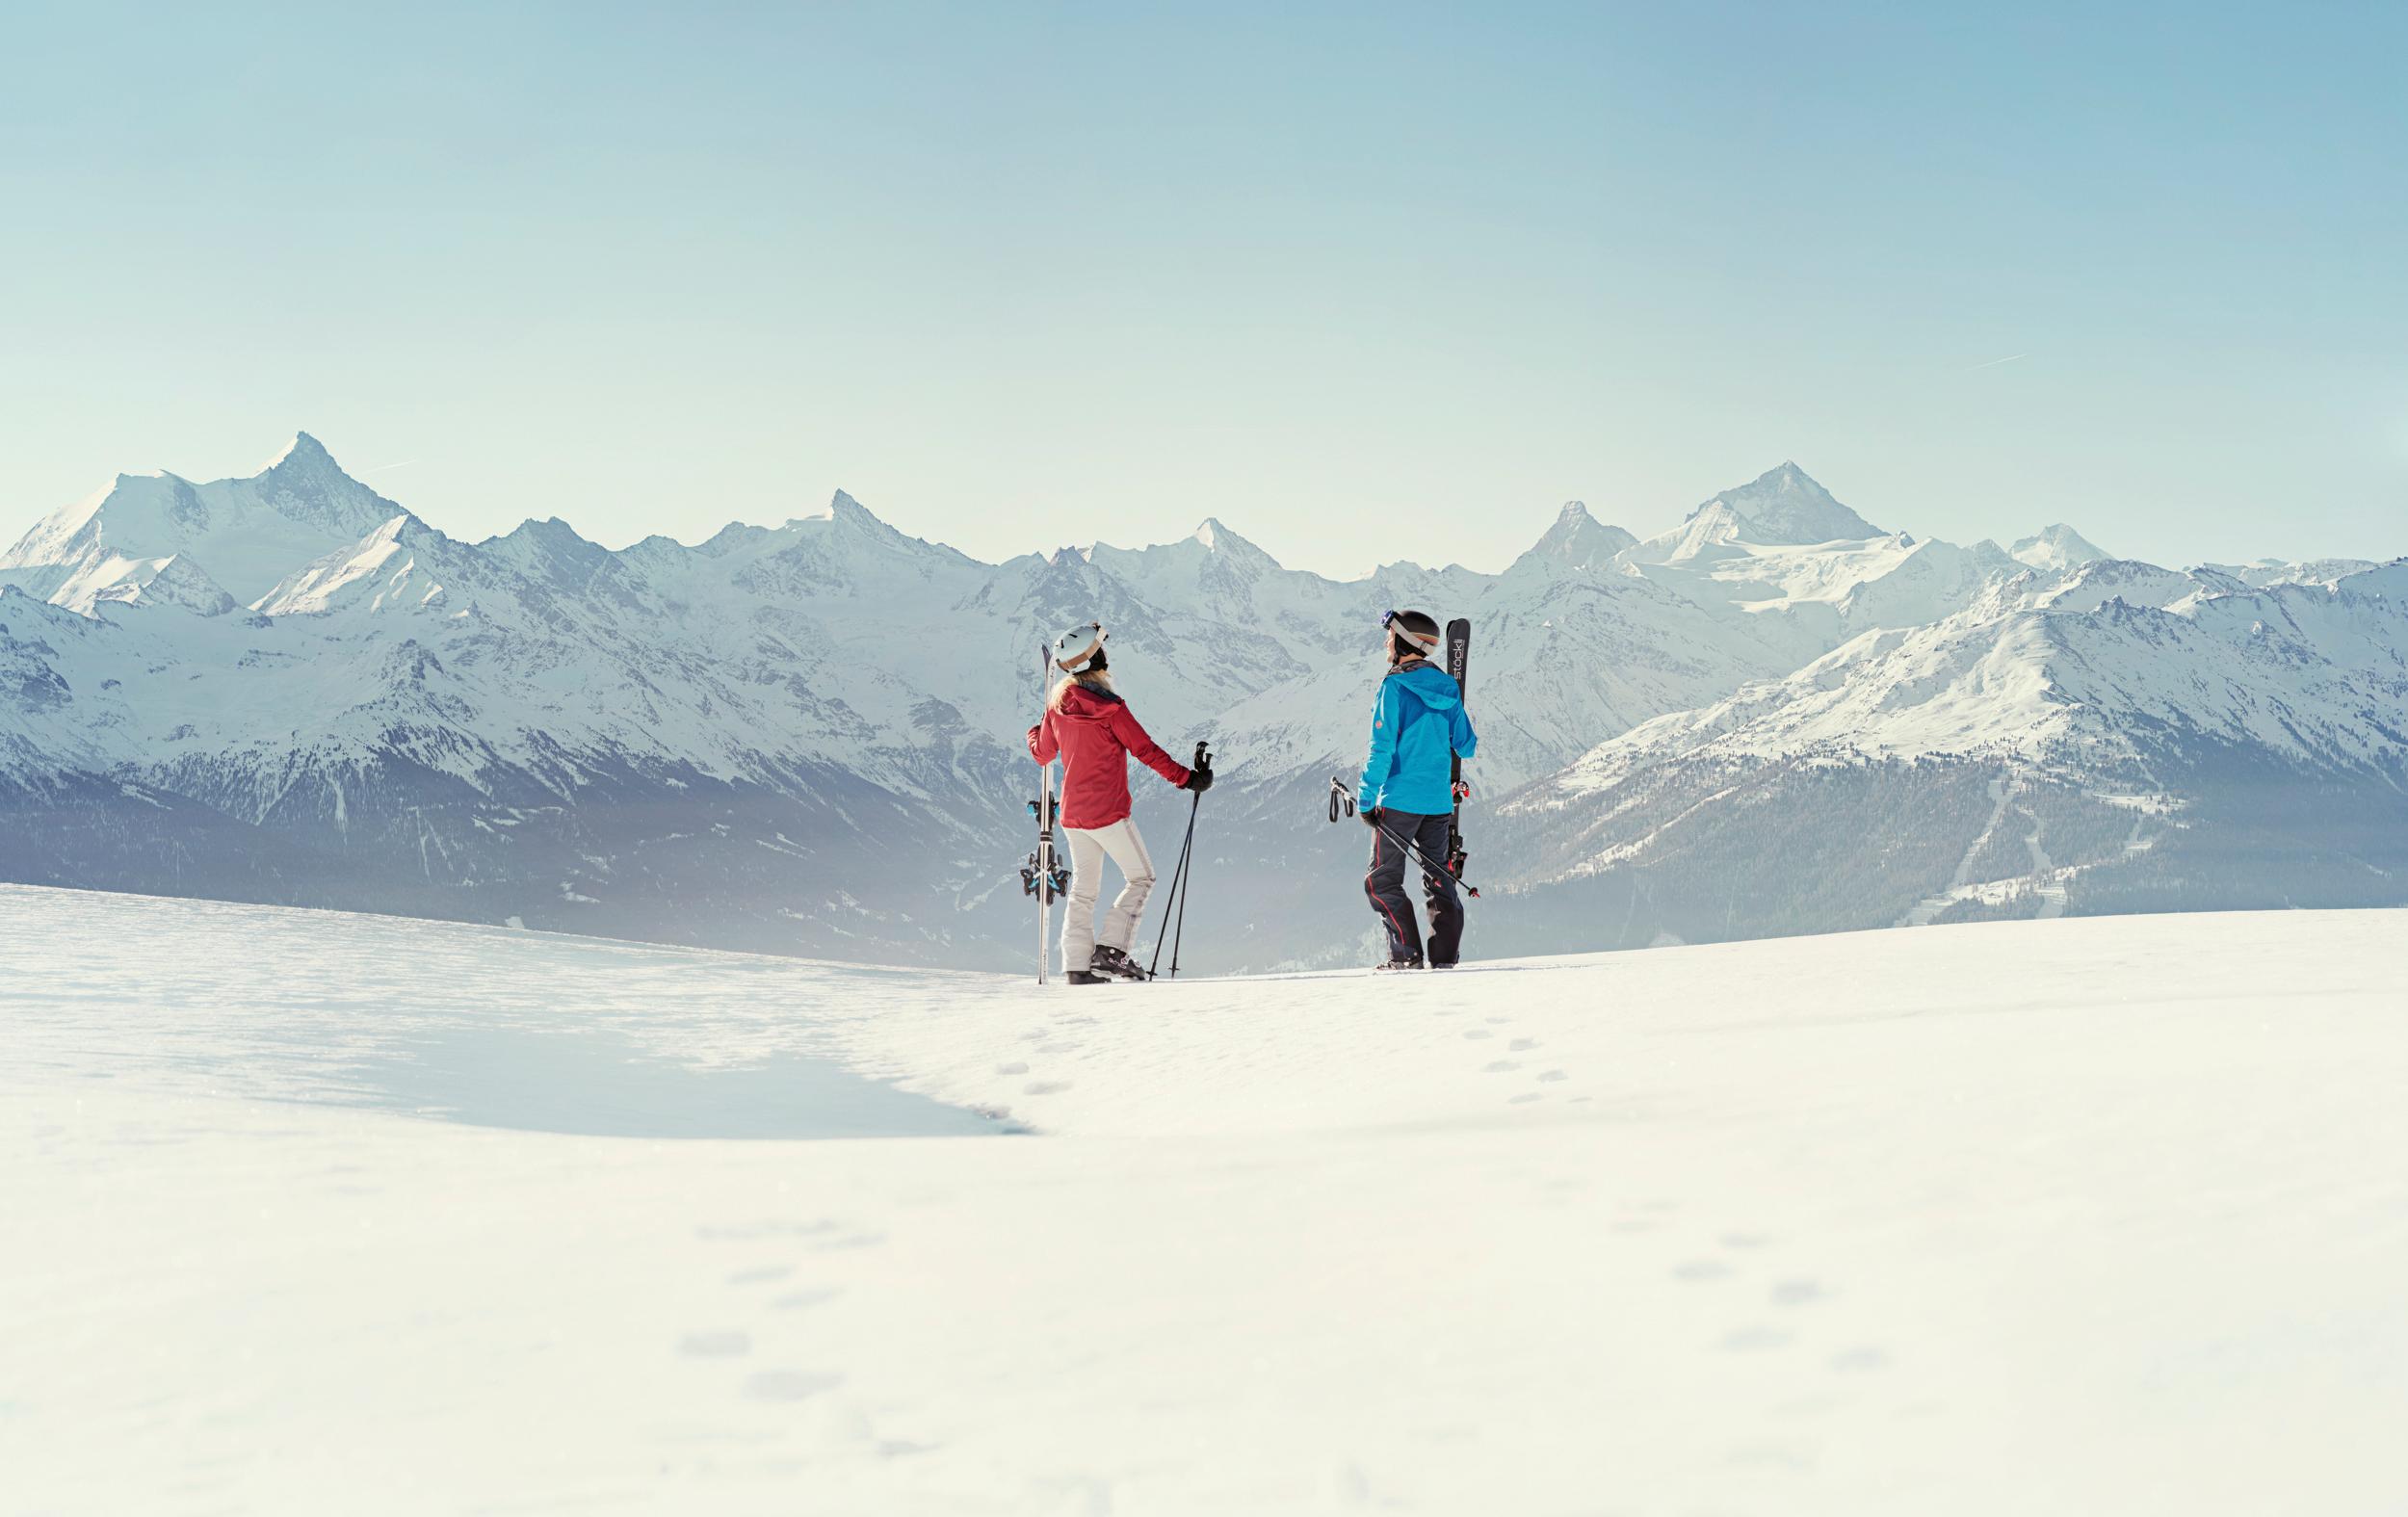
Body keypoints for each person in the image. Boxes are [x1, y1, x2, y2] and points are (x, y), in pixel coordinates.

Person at [1027, 622, 1212, 984]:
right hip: (1109, 814)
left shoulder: (1057, 708)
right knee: (1141, 877)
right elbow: (1145, 751)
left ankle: (1077, 966)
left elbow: (1042, 754)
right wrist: (1188, 779)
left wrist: (1034, 730)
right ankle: (1111, 951)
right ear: (1095, 660)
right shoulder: (1111, 709)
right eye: (1101, 651)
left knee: (1083, 888)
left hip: (1073, 816)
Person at [1356, 609, 1477, 970]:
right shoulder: (1447, 687)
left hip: (1399, 803)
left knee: (1381, 881)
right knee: (1439, 878)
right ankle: (1444, 959)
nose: (1385, 641)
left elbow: (1381, 749)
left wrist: (1366, 800)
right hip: (1439, 803)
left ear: (1404, 640)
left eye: (1390, 635)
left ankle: (1405, 956)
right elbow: (1467, 745)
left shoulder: (1393, 686)